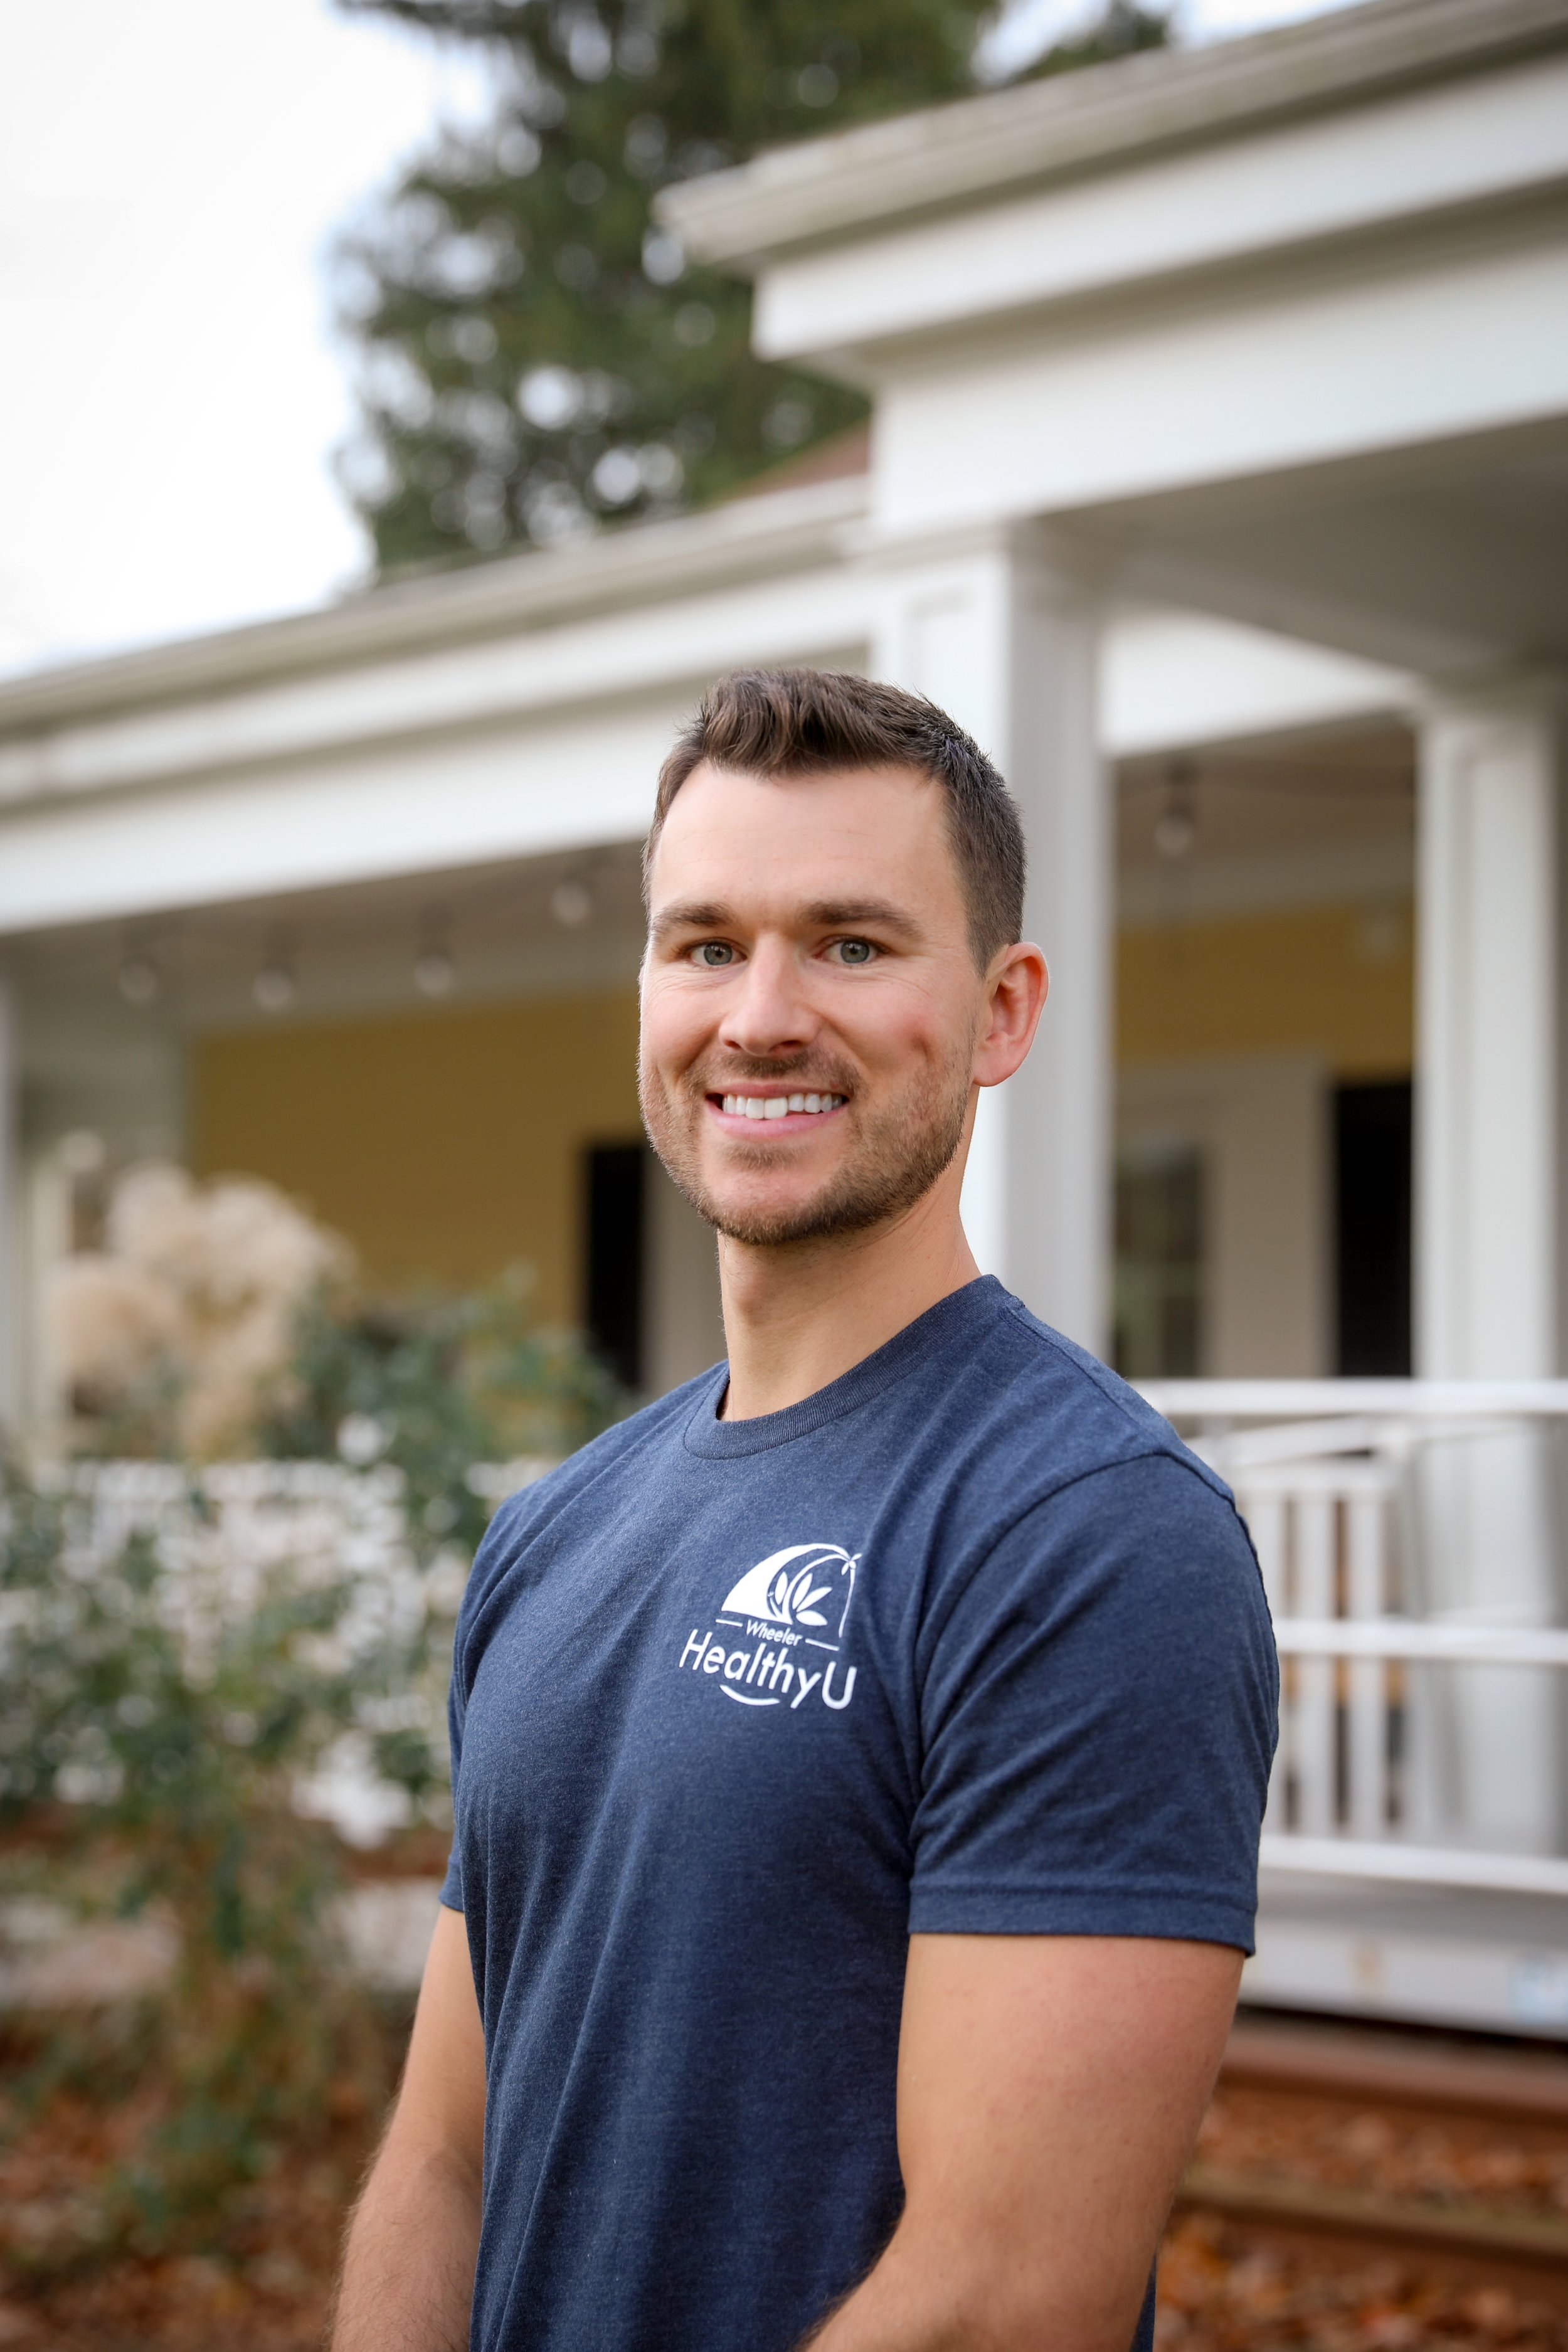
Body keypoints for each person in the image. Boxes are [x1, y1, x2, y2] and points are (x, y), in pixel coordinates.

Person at [331, 668, 1278, 2352]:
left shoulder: (1086, 1538)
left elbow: (1003, 2299)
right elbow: (445, 2161)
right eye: (705, 945)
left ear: (1001, 1012)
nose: (760, 1016)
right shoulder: (551, 1537)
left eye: (849, 943)